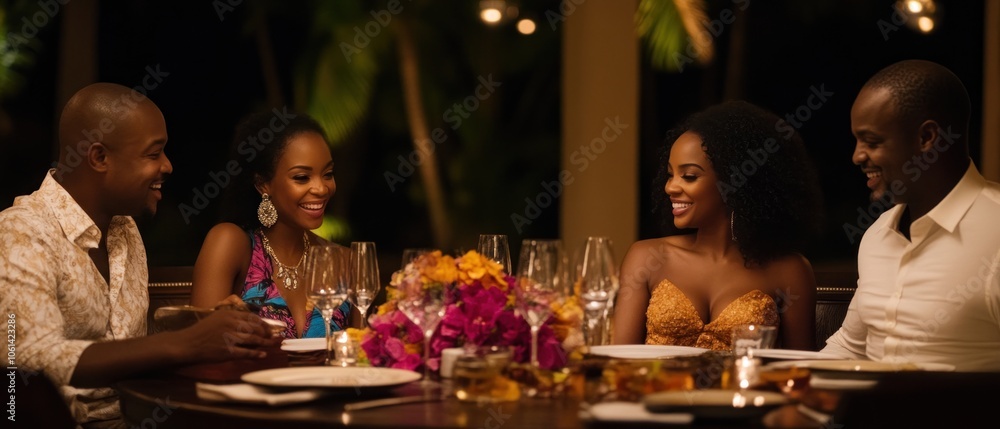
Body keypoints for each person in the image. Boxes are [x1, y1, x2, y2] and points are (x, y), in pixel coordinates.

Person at [0, 83, 280, 428]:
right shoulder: (21, 233)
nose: (168, 166)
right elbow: (27, 358)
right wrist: (184, 343)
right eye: (153, 154)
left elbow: (130, 352)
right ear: (100, 157)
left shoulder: (126, 231)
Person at [822, 60, 1000, 371]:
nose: (857, 156)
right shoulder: (877, 233)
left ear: (927, 138)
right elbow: (851, 347)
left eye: (872, 141)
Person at [613, 100, 822, 351]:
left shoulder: (789, 271)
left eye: (689, 176)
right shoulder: (647, 257)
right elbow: (618, 360)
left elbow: (800, 370)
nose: (670, 187)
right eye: (670, 174)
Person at [190, 110, 352, 338]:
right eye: (302, 177)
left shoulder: (342, 261)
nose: (322, 188)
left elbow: (362, 354)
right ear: (263, 184)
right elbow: (199, 345)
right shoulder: (230, 243)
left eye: (328, 173)